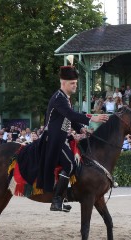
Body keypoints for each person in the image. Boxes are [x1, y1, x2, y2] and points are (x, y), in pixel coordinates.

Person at [42, 66, 109, 212]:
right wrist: (93, 117)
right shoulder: (59, 98)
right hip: (54, 140)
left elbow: (69, 118)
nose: (75, 85)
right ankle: (57, 200)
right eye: (72, 83)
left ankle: (63, 195)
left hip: (62, 137)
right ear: (63, 83)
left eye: (75, 83)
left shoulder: (65, 98)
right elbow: (71, 114)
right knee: (71, 165)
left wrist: (81, 129)